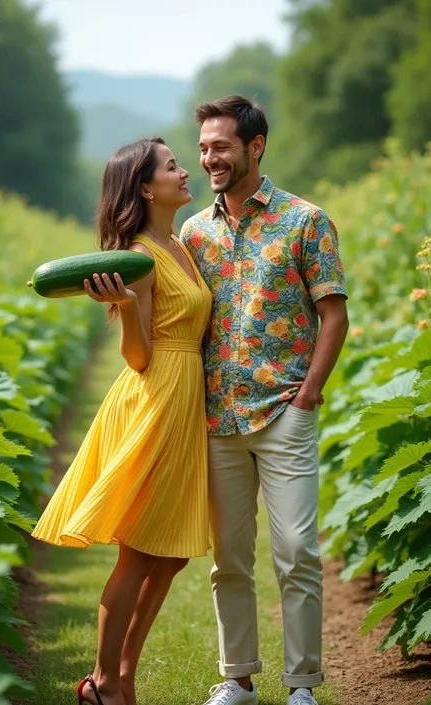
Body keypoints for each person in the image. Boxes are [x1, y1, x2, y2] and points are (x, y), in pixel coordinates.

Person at [180, 95, 349, 705]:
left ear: (256, 146)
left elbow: (334, 315)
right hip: (218, 416)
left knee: (298, 551)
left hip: (285, 412)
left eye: (220, 146)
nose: (209, 158)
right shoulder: (193, 232)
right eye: (202, 148)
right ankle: (238, 679)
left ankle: (301, 685)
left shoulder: (306, 221)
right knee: (228, 558)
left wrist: (308, 395)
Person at [32, 137, 212, 705]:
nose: (185, 172)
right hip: (155, 396)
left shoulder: (180, 244)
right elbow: (137, 357)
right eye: (172, 166)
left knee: (173, 551)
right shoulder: (138, 257)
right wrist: (132, 308)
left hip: (185, 397)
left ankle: (118, 676)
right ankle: (107, 682)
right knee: (137, 548)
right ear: (143, 186)